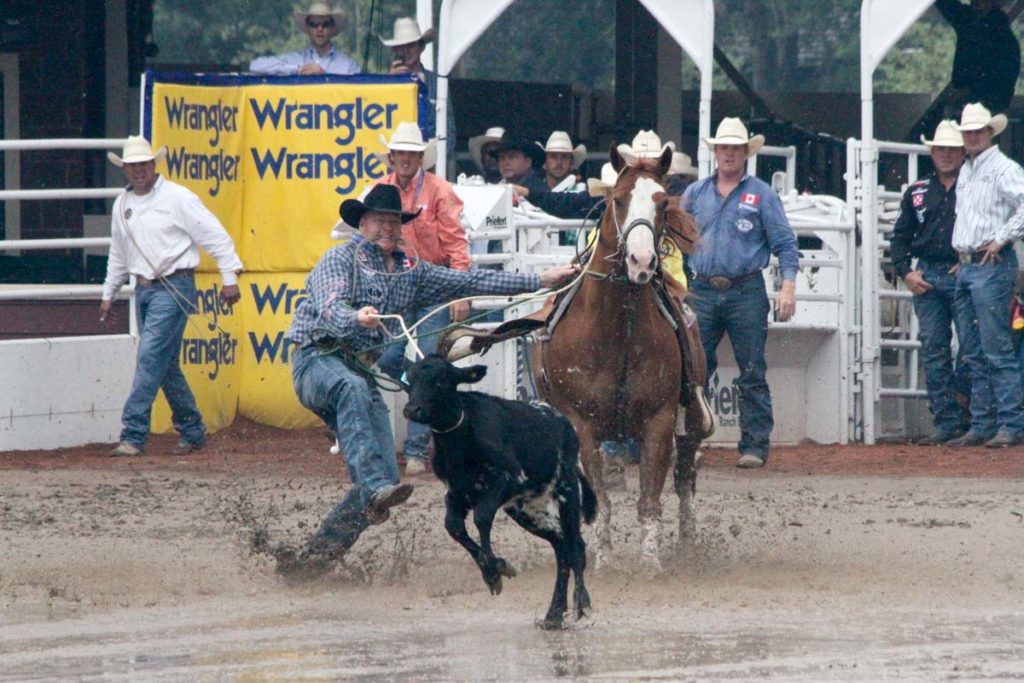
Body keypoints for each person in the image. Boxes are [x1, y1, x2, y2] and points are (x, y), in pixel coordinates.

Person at [283, 184, 579, 569]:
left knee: (385, 477)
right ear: (362, 224)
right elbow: (330, 306)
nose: (387, 227)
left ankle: (315, 559)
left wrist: (540, 281)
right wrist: (355, 317)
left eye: (393, 220)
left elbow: (471, 282)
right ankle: (371, 489)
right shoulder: (339, 261)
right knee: (353, 394)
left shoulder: (412, 272)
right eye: (379, 220)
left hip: (357, 369)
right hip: (316, 361)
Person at [100, 136, 243, 457]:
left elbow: (214, 234)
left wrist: (229, 276)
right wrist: (109, 291)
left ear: (153, 165)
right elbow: (118, 253)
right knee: (162, 363)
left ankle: (133, 433)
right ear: (126, 170)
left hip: (174, 286)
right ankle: (192, 429)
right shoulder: (122, 206)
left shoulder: (179, 198)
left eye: (142, 164)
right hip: (145, 288)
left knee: (151, 357)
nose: (138, 170)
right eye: (132, 166)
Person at [682, 118, 799, 469]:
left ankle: (754, 444)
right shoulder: (695, 194)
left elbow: (785, 243)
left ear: (744, 153)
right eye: (724, 148)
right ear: (716, 152)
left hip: (745, 288)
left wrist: (787, 285)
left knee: (751, 368)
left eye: (735, 148)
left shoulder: (761, 194)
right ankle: (691, 442)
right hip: (702, 287)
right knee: (694, 369)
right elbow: (675, 240)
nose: (729, 154)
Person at [372, 122, 469, 475]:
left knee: (426, 362)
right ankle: (418, 421)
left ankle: (415, 449)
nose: (406, 159)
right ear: (392, 156)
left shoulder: (440, 191)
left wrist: (458, 289)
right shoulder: (380, 190)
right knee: (388, 357)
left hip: (433, 283)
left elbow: (456, 242)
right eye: (401, 153)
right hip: (397, 285)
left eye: (412, 153)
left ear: (419, 157)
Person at [946, 103, 1024, 448]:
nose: (973, 136)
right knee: (976, 349)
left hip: (987, 263)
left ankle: (1004, 422)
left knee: (993, 348)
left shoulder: (1002, 169)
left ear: (989, 132)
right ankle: (987, 422)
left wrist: (1002, 238)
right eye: (968, 132)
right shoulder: (970, 169)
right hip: (971, 263)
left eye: (977, 131)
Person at [890, 120, 972, 444]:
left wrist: (967, 261)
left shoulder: (973, 188)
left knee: (971, 345)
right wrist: (906, 272)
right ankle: (948, 420)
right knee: (935, 348)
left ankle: (964, 409)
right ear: (933, 152)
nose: (946, 155)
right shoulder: (917, 192)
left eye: (952, 149)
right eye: (941, 149)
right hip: (927, 275)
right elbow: (899, 238)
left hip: (961, 271)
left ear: (962, 153)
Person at [380, 17, 455, 146]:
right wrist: (389, 84)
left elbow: (449, 132)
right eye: (401, 47)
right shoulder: (384, 84)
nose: (406, 51)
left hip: (430, 161)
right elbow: (376, 125)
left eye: (411, 45)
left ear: (421, 47)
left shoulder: (437, 83)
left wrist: (432, 161)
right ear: (395, 50)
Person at [935, 0, 1020, 114]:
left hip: (988, 105)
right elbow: (947, 5)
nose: (976, 3)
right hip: (966, 101)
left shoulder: (1004, 40)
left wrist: (967, 93)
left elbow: (999, 80)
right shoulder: (969, 20)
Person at [248, 2, 359, 76]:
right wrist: (298, 69)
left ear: (332, 28)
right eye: (314, 24)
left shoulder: (348, 66)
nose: (320, 29)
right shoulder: (296, 60)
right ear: (308, 28)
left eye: (325, 24)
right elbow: (255, 66)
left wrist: (325, 76)